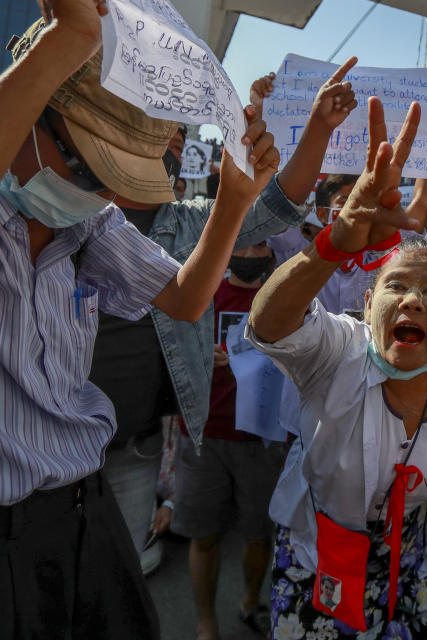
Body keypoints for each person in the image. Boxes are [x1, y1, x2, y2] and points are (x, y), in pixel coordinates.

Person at [0, 3, 280, 638]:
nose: (94, 195)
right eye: (81, 167)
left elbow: (184, 299)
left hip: (84, 510)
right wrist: (72, 38)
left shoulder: (89, 223)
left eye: (110, 183)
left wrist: (235, 199)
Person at [85, 59, 356, 579]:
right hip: (42, 443)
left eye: (174, 135)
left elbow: (277, 206)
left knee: (114, 579)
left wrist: (319, 128)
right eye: (151, 130)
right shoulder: (63, 216)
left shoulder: (189, 221)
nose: (166, 143)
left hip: (132, 451)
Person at [247, 97, 427, 639]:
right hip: (322, 563)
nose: (413, 302)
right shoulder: (337, 350)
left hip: (415, 568)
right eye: (396, 287)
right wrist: (335, 238)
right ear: (365, 304)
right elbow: (270, 324)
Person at [171, 241, 287, 640]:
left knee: (259, 534)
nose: (252, 254)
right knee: (204, 535)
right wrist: (201, 353)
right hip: (204, 434)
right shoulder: (203, 292)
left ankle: (250, 602)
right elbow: (171, 348)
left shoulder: (285, 297)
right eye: (244, 244)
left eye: (261, 246)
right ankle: (206, 622)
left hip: (263, 437)